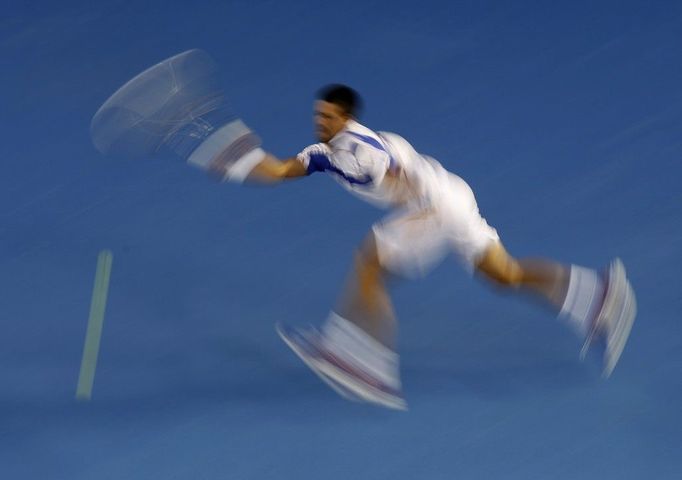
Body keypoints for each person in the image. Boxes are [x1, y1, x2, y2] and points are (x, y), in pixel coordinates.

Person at [216, 84, 637, 410]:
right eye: (316, 114)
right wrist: (239, 159)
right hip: (452, 194)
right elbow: (281, 170)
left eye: (325, 116)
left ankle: (365, 365)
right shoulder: (324, 154)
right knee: (502, 275)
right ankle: (598, 296)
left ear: (345, 117)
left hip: (435, 205)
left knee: (370, 263)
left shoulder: (367, 149)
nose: (318, 121)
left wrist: (416, 212)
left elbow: (399, 177)